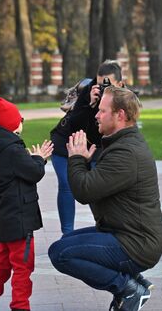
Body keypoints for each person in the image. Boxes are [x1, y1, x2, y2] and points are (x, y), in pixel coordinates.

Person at [48, 87, 162, 311]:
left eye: (102, 111)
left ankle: (128, 289)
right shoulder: (120, 144)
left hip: (136, 244)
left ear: (120, 115)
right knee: (64, 245)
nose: (96, 115)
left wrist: (76, 159)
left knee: (60, 254)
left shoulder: (126, 153)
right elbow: (94, 187)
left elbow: (83, 192)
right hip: (122, 232)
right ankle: (134, 284)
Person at [0, 98, 53, 311]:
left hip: (5, 216)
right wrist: (39, 158)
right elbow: (34, 172)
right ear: (11, 124)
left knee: (1, 264)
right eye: (19, 119)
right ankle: (20, 305)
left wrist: (32, 158)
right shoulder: (13, 149)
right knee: (23, 266)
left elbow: (21, 169)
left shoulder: (2, 147)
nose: (21, 122)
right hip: (20, 218)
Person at [50, 60, 125, 234]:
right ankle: (67, 234)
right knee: (67, 185)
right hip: (67, 143)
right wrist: (90, 104)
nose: (103, 89)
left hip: (95, 148)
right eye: (100, 84)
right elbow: (74, 123)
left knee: (96, 188)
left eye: (109, 85)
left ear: (120, 84)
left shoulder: (125, 97)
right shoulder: (90, 90)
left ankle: (104, 228)